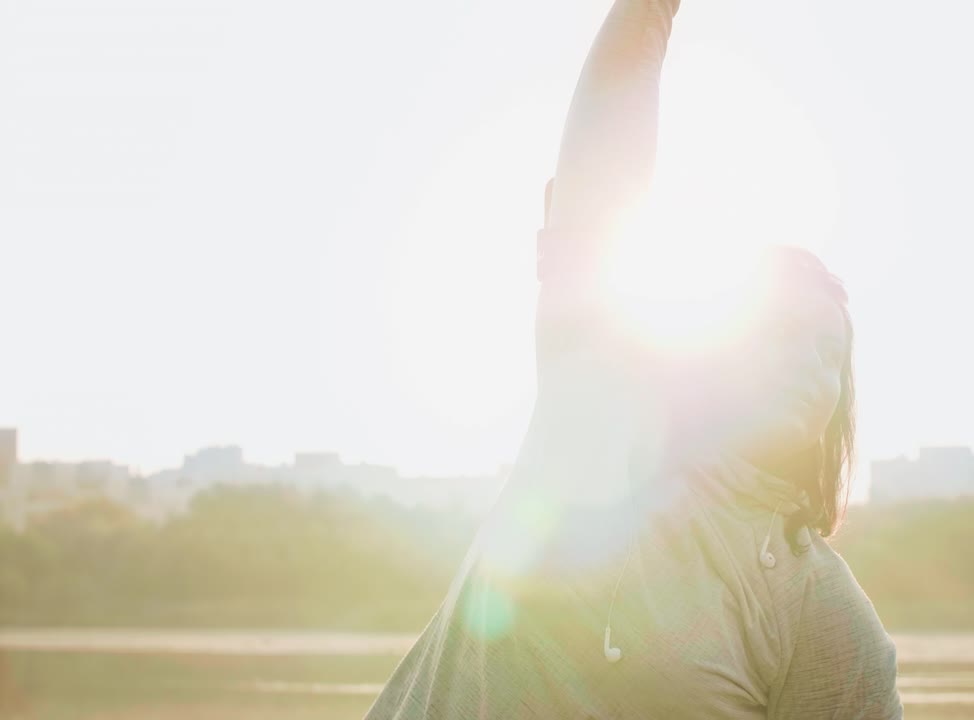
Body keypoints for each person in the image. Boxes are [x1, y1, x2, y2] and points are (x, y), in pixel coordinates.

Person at [362, 1, 903, 717]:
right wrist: (648, 13)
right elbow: (599, 191)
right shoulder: (591, 443)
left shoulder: (824, 614)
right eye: (780, 335)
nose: (810, 367)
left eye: (829, 353)